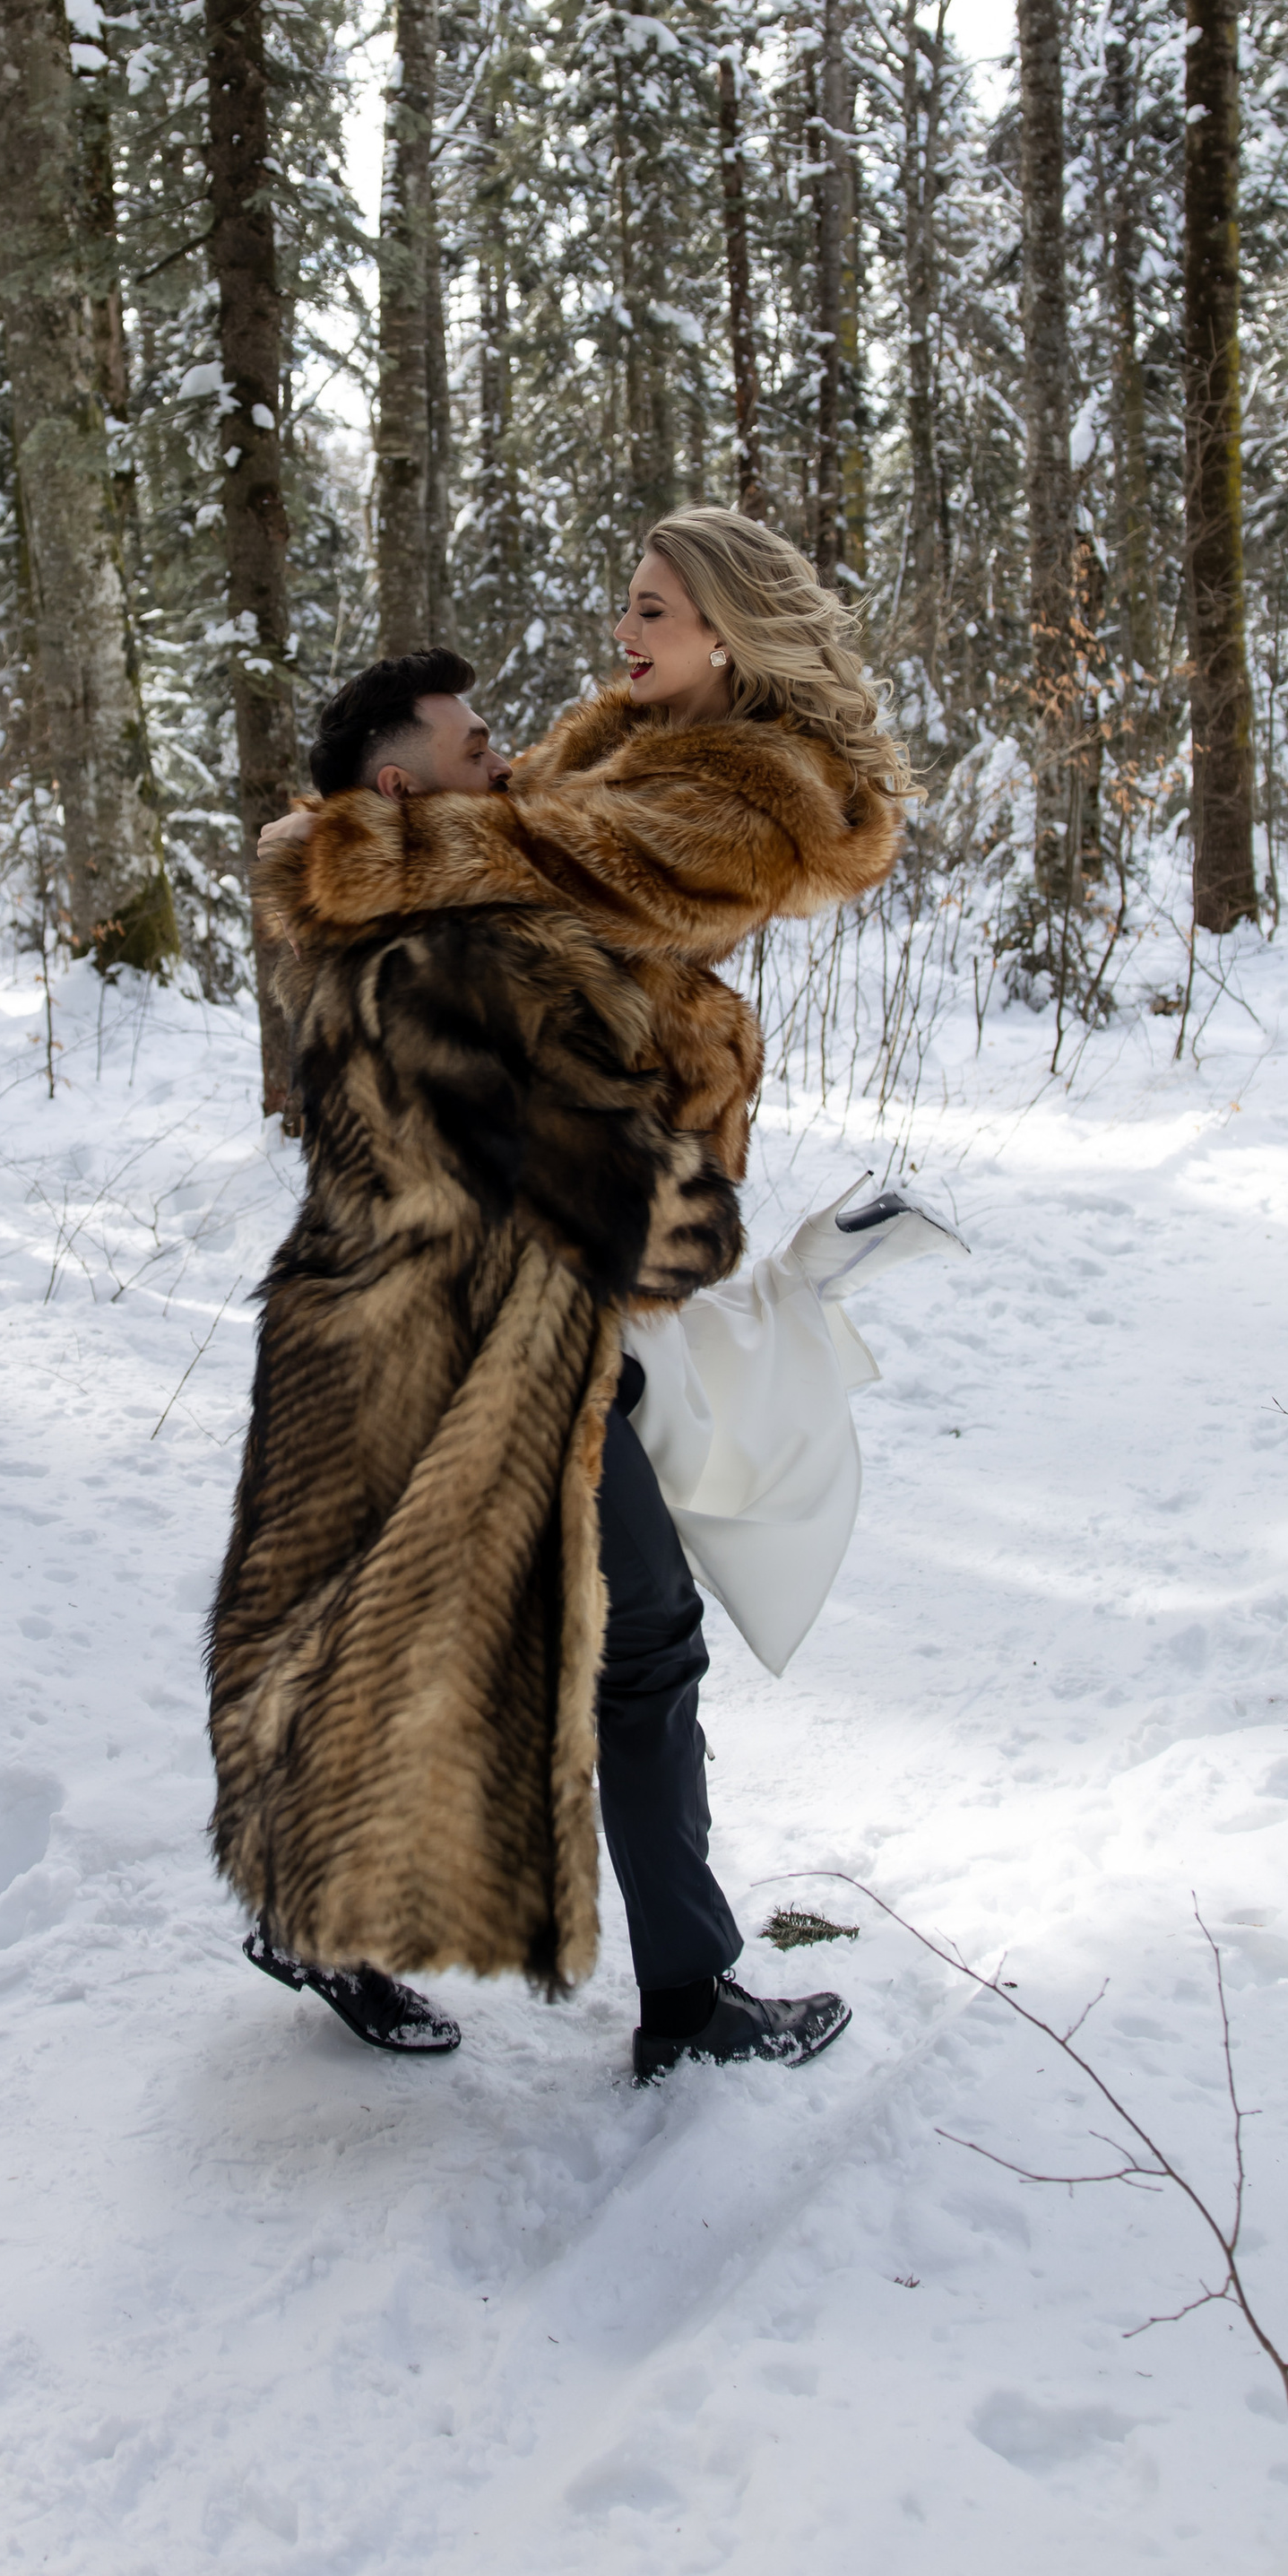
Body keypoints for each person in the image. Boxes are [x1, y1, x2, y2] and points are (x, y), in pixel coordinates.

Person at [213, 512, 908, 2077]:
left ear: (725, 629)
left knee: (525, 1628)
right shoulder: (559, 822)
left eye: (652, 608)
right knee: (567, 1634)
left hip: (502, 1286)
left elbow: (544, 862)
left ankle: (643, 1985)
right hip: (492, 1298)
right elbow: (515, 894)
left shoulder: (703, 801)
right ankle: (667, 1995)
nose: (619, 635)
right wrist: (673, 1219)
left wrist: (358, 848)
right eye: (628, 605)